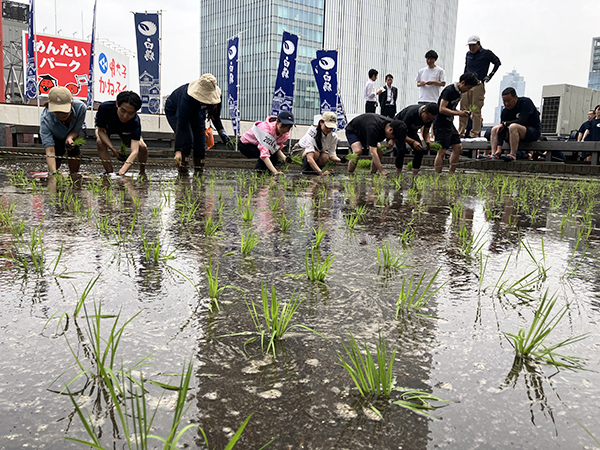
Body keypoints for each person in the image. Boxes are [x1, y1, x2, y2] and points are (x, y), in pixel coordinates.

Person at [165, 74, 229, 173]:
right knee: (187, 139)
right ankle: (183, 171)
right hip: (175, 110)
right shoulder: (187, 97)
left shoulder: (217, 97)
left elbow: (215, 116)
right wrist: (178, 151)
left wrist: (222, 132)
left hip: (198, 113)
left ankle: (199, 172)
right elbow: (181, 125)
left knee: (200, 143)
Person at [433, 72, 479, 174]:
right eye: (468, 88)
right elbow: (442, 109)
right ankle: (437, 175)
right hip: (441, 123)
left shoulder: (459, 92)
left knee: (458, 148)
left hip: (449, 123)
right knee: (442, 150)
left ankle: (451, 173)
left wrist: (460, 112)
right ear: (462, 83)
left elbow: (451, 107)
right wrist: (458, 114)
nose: (467, 91)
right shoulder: (449, 91)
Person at [95, 90, 147, 176]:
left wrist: (121, 173)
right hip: (107, 129)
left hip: (127, 131)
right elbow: (101, 131)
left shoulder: (135, 121)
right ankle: (109, 173)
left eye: (131, 113)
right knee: (100, 142)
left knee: (142, 146)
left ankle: (142, 171)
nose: (125, 116)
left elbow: (134, 151)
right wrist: (113, 149)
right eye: (123, 111)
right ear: (117, 104)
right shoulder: (105, 108)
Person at [458, 36, 501, 138]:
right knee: (463, 108)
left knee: (476, 109)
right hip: (466, 84)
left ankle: (474, 133)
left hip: (477, 84)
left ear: (478, 44)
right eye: (469, 46)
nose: (471, 48)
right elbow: (466, 67)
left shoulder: (486, 53)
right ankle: (461, 133)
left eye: (473, 45)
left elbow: (497, 62)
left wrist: (490, 75)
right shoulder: (468, 54)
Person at [40, 86, 86, 175]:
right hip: (57, 135)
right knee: (58, 151)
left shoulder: (81, 107)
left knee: (73, 148)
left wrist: (70, 138)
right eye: (57, 112)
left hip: (76, 131)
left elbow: (77, 127)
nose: (61, 115)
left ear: (71, 104)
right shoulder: (46, 119)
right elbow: (49, 150)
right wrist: (53, 175)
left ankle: (74, 175)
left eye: (64, 111)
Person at [489, 88, 541, 162]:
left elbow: (522, 121)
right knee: (495, 129)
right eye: (504, 101)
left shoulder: (525, 102)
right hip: (513, 134)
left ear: (515, 97)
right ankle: (494, 154)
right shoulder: (505, 111)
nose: (506, 104)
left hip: (532, 131)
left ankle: (513, 154)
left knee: (513, 127)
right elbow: (502, 129)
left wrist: (506, 124)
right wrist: (499, 147)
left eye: (509, 100)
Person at [393, 103, 438, 175]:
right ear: (423, 112)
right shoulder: (411, 114)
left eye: (431, 119)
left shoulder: (430, 117)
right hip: (398, 129)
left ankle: (415, 173)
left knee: (420, 150)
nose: (428, 120)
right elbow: (401, 133)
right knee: (401, 149)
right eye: (427, 118)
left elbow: (426, 132)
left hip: (411, 131)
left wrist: (428, 142)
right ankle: (398, 172)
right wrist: (413, 142)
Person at [292, 112, 339, 176]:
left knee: (325, 156)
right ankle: (306, 172)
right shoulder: (312, 132)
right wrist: (321, 173)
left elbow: (332, 155)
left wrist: (342, 160)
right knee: (316, 153)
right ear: (321, 122)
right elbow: (309, 158)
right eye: (327, 126)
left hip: (315, 153)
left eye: (331, 128)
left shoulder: (333, 136)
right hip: (300, 150)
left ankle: (315, 172)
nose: (328, 129)